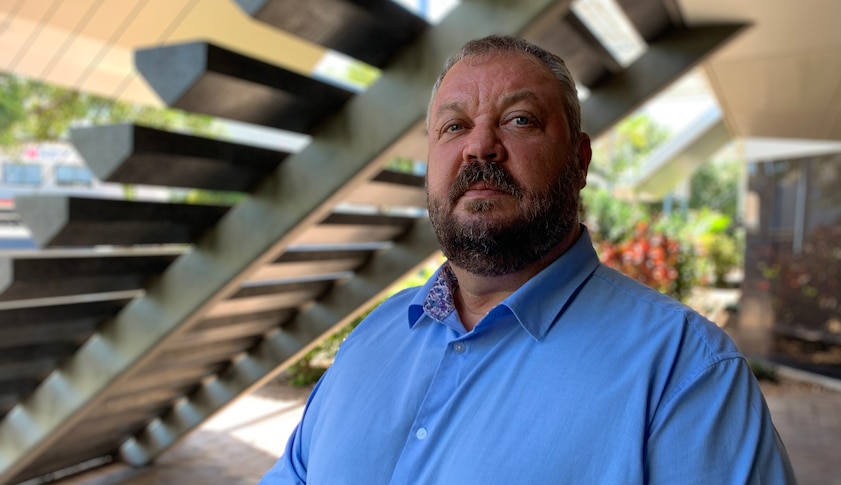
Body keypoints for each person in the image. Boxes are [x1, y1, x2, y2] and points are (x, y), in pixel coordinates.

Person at [259, 35, 796, 484]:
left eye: (519, 120)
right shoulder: (373, 337)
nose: (480, 147)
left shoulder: (686, 373)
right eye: (453, 126)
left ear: (579, 161)